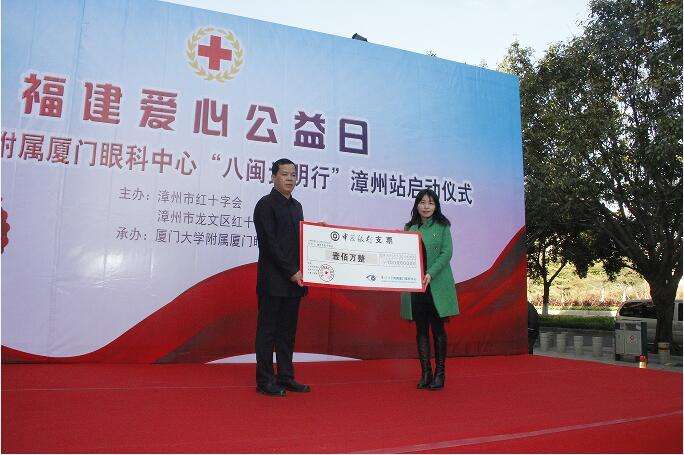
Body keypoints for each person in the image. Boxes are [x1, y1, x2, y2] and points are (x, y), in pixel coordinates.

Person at [253, 158, 310, 397]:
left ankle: (286, 377)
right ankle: (265, 381)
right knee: (267, 332)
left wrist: (318, 233)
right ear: (273, 177)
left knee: (287, 332)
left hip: (294, 282)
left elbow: (300, 239)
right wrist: (291, 271)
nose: (290, 178)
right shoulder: (265, 205)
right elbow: (270, 245)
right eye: (284, 174)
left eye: (293, 174)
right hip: (273, 281)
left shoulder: (297, 207)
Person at [400, 189, 459, 390]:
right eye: (422, 202)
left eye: (430, 203)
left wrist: (430, 273)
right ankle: (425, 373)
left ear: (436, 206)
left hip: (436, 284)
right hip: (416, 287)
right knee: (421, 330)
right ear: (417, 205)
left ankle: (440, 373)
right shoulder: (409, 228)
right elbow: (402, 254)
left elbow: (447, 253)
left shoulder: (443, 226)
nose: (426, 207)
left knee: (438, 329)